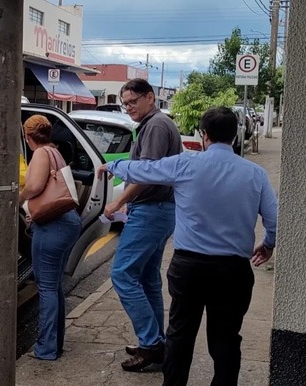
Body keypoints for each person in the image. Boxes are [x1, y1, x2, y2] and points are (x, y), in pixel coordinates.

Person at [97, 106, 278, 385]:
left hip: (189, 268)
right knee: (226, 338)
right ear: (233, 135)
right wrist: (267, 244)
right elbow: (274, 220)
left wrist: (113, 165)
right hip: (233, 271)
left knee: (180, 334)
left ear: (203, 135)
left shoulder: (185, 164)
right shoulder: (255, 174)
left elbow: (146, 169)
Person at [104, 78, 182, 372]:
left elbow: (147, 173)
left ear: (150, 97)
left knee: (123, 274)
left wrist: (116, 202)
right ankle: (155, 342)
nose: (128, 108)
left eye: (133, 102)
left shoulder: (157, 125)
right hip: (156, 209)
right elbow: (142, 170)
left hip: (152, 212)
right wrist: (127, 200)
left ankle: (151, 343)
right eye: (125, 103)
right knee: (147, 277)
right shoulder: (154, 124)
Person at [19, 114, 82, 360]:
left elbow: (34, 186)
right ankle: (55, 343)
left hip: (52, 226)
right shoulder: (54, 151)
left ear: (27, 135)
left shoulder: (40, 154)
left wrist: (18, 197)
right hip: (66, 222)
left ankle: (46, 348)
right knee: (53, 286)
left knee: (45, 288)